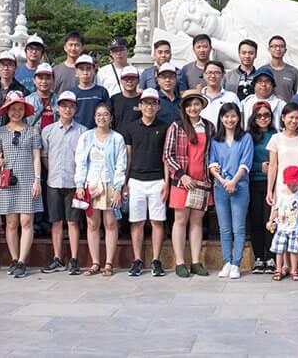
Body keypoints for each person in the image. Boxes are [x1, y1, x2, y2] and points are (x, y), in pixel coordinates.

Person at [164, 90, 214, 278]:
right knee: (180, 220)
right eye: (189, 105)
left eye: (197, 104)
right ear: (184, 107)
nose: (193, 108)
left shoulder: (208, 127)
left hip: (201, 182)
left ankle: (195, 261)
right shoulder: (176, 127)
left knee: (196, 221)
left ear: (201, 106)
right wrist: (181, 175)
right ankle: (179, 261)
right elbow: (167, 155)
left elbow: (211, 154)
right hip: (182, 182)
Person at [121, 88, 169, 278]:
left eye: (153, 103)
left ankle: (156, 260)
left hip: (157, 180)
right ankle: (138, 259)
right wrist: (125, 183)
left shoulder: (165, 127)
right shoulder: (131, 127)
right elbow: (128, 157)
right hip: (136, 180)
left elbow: (166, 157)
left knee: (157, 221)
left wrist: (167, 182)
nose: (149, 106)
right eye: (146, 103)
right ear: (139, 106)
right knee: (137, 222)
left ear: (158, 106)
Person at [0, 91, 42, 279]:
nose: (16, 112)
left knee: (26, 221)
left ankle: (22, 260)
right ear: (7, 110)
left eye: (20, 109)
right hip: (8, 180)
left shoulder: (32, 131)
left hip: (28, 178)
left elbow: (36, 157)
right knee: (11, 222)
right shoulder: (0, 132)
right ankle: (14, 258)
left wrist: (37, 179)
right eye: (13, 109)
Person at [74, 103, 126, 277]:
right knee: (92, 224)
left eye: (105, 114)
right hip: (91, 185)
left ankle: (109, 262)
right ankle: (95, 262)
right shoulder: (87, 137)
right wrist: (80, 185)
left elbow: (121, 165)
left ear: (111, 118)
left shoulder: (117, 138)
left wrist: (118, 188)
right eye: (98, 115)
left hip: (110, 184)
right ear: (94, 118)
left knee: (110, 224)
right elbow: (80, 162)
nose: (102, 118)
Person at [39, 91, 86, 275]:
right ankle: (57, 257)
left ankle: (74, 259)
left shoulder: (82, 131)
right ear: (57, 108)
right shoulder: (48, 130)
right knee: (56, 222)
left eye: (71, 106)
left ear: (75, 108)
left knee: (73, 222)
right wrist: (53, 172)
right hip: (54, 182)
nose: (67, 109)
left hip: (74, 183)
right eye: (64, 105)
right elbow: (44, 156)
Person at [207, 103, 254, 280]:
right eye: (226, 116)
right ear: (221, 118)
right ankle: (226, 261)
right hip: (220, 187)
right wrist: (223, 181)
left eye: (233, 116)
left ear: (238, 118)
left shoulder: (246, 138)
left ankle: (236, 263)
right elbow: (212, 164)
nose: (230, 119)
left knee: (238, 228)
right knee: (224, 228)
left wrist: (233, 181)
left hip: (240, 186)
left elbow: (246, 162)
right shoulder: (215, 140)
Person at [246, 101, 277, 274]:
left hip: (271, 183)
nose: (263, 118)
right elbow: (243, 158)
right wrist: (259, 166)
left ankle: (271, 256)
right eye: (259, 115)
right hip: (253, 181)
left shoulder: (275, 134)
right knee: (256, 219)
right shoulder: (248, 135)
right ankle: (259, 257)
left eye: (267, 115)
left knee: (270, 220)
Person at [266, 103, 298, 203]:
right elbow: (272, 166)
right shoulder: (276, 138)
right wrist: (269, 190)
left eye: (297, 118)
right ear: (283, 118)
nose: (294, 121)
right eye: (291, 117)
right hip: (282, 186)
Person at [269, 165, 298, 281]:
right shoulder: (281, 195)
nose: (292, 186)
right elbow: (276, 209)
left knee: (294, 250)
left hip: (295, 228)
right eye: (289, 184)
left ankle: (294, 269)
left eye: (294, 184)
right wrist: (271, 220)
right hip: (282, 228)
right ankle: (278, 268)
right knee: (279, 250)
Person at [70, 54, 111, 129]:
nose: (85, 72)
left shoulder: (102, 91)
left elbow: (107, 114)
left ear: (94, 70)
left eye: (88, 69)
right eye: (81, 69)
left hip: (97, 132)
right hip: (75, 132)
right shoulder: (71, 93)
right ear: (76, 71)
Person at [200, 60, 239, 127]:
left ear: (223, 75)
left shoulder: (231, 97)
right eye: (209, 72)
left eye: (217, 73)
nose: (212, 76)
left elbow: (238, 121)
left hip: (224, 136)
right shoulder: (198, 97)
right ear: (204, 75)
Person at [111, 65, 142, 140]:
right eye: (126, 78)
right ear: (121, 80)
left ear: (138, 80)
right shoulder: (114, 99)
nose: (129, 81)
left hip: (137, 140)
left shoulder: (143, 99)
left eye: (133, 78)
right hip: (117, 140)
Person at [25, 63, 59, 132]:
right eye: (40, 78)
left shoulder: (59, 100)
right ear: (34, 80)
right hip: (33, 139)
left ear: (53, 80)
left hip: (54, 139)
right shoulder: (27, 101)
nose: (44, 81)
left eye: (48, 78)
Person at [266, 35, 298, 102]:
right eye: (274, 46)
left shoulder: (293, 71)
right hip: (267, 111)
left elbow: (296, 94)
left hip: (287, 111)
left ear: (285, 50)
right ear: (269, 49)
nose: (278, 49)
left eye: (281, 46)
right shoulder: (263, 70)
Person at [155, 62, 182, 127]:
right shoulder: (154, 100)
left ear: (175, 79)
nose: (167, 80)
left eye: (171, 77)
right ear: (158, 80)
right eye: (164, 77)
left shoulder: (181, 101)